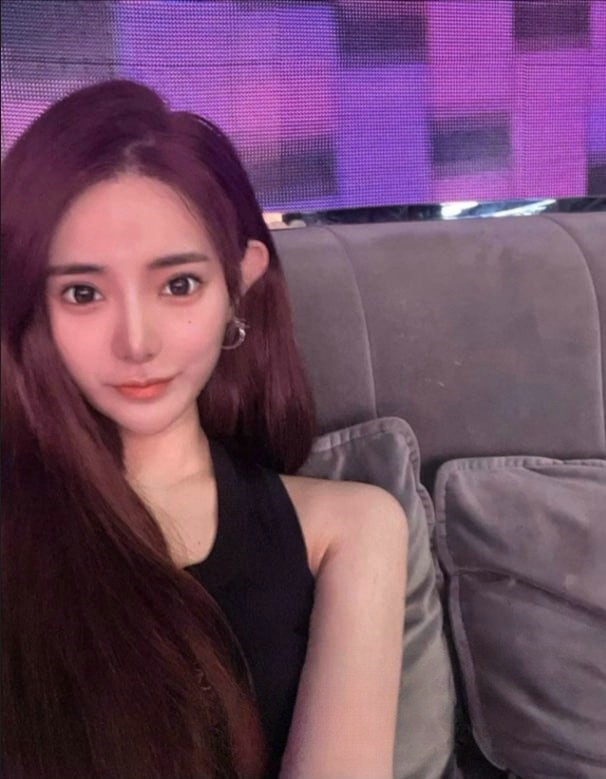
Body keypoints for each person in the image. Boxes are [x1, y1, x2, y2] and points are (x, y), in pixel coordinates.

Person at [1, 79, 408, 779]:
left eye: (179, 284)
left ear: (239, 283)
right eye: (83, 292)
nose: (137, 342)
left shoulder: (352, 528)